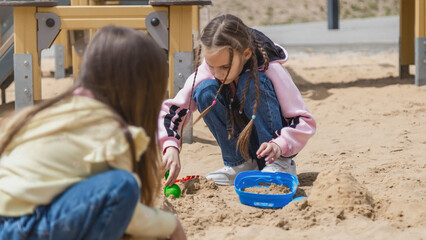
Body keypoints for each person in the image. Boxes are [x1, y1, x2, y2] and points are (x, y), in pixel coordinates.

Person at [0, 26, 186, 240]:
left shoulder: (58, 112)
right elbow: (129, 213)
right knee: (122, 186)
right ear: (143, 95)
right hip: (21, 228)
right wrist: (169, 225)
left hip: (12, 218)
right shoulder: (111, 133)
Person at [160, 14, 316, 186]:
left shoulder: (272, 69)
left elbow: (304, 121)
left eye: (225, 67)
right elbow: (174, 110)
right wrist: (171, 146)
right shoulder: (209, 70)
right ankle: (240, 165)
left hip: (276, 148)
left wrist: (280, 144)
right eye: (211, 65)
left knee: (251, 83)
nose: (217, 73)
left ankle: (279, 165)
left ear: (246, 54)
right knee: (204, 90)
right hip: (242, 144)